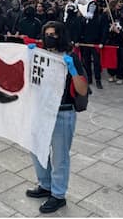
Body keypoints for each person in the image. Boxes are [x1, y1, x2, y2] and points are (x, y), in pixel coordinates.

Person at [25, 21, 88, 214]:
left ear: (61, 36)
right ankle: (45, 185)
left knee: (60, 157)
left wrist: (73, 70)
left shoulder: (70, 58)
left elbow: (83, 90)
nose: (50, 37)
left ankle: (58, 195)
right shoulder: (39, 55)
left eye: (54, 34)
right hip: (40, 111)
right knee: (36, 150)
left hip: (63, 112)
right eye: (47, 34)